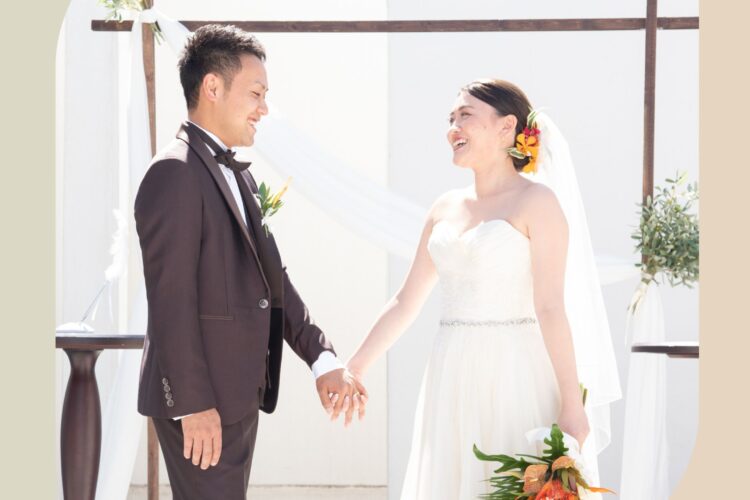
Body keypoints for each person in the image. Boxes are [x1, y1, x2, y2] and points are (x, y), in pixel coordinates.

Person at [346, 79, 619, 499]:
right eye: (451, 118)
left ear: (507, 127)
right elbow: (405, 301)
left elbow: (550, 306)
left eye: (465, 116)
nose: (453, 128)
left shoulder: (538, 202)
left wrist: (572, 403)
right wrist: (355, 367)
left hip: (515, 374)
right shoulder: (443, 208)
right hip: (450, 373)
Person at [134, 24, 366, 500]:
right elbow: (170, 300)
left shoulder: (234, 174)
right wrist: (193, 405)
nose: (264, 108)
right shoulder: (174, 172)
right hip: (202, 404)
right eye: (256, 94)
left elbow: (271, 279)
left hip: (236, 398)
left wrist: (321, 358)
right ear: (212, 87)